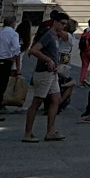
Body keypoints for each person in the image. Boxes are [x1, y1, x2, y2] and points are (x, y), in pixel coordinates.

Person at [23, 11, 68, 142]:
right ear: (56, 22)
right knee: (37, 103)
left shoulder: (55, 36)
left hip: (52, 73)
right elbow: (34, 50)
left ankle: (50, 131)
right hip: (44, 73)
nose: (64, 26)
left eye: (65, 24)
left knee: (56, 99)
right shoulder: (48, 35)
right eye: (62, 23)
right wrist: (48, 60)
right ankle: (28, 133)